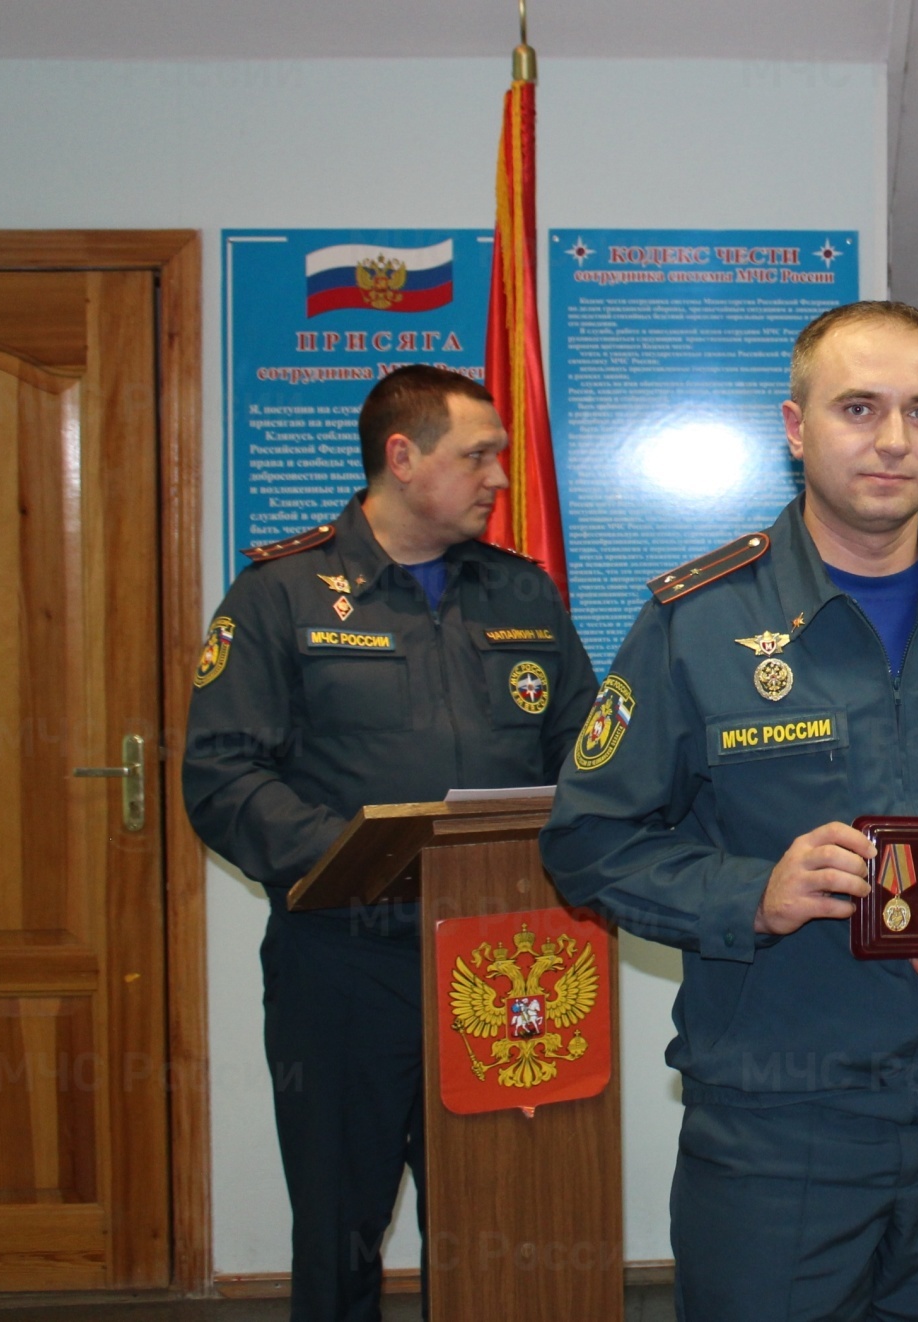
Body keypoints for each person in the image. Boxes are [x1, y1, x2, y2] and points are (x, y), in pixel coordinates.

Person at [538, 301, 918, 1321]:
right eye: (858, 407)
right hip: (777, 1128)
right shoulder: (698, 622)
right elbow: (590, 841)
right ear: (795, 426)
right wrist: (749, 892)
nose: (893, 439)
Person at [183, 365, 597, 1322]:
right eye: (479, 456)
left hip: (508, 960)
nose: (500, 477)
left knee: (507, 1211)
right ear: (402, 459)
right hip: (345, 961)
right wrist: (363, 856)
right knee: (340, 1221)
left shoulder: (522, 594)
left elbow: (588, 752)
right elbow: (222, 776)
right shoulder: (279, 594)